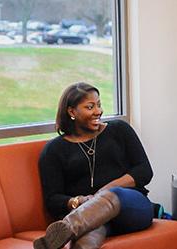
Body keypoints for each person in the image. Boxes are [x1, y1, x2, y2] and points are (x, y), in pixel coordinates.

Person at [34, 82, 154, 249]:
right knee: (88, 238)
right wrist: (79, 201)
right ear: (71, 112)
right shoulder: (54, 151)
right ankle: (61, 237)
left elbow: (144, 171)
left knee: (113, 195)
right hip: (90, 217)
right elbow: (52, 199)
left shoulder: (119, 130)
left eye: (99, 105)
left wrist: (103, 193)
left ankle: (66, 229)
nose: (98, 111)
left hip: (130, 208)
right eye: (90, 107)